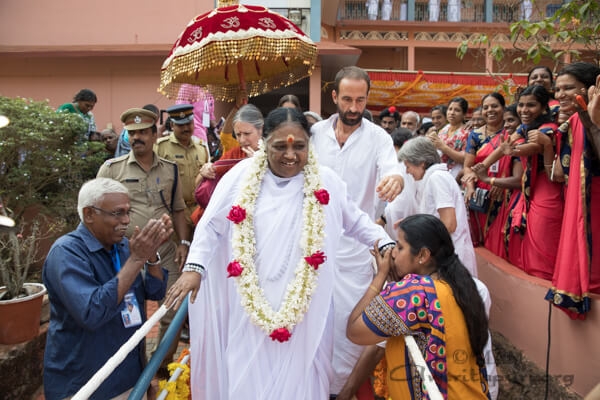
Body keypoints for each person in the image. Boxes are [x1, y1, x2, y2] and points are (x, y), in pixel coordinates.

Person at [164, 107, 394, 399]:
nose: (290, 155)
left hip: (306, 306)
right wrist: (194, 268)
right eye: (279, 146)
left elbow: (356, 221)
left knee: (304, 376)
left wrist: (384, 242)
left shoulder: (326, 181)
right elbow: (211, 227)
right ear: (264, 144)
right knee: (248, 373)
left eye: (299, 146)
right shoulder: (241, 178)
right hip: (250, 304)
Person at [310, 65, 404, 399]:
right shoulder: (315, 134)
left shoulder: (379, 138)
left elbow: (392, 168)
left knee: (350, 326)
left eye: (360, 100)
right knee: (313, 321)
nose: (353, 107)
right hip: (312, 248)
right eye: (347, 99)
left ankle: (342, 391)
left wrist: (396, 179)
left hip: (356, 250)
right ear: (334, 96)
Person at [42, 178, 171, 400]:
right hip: (86, 384)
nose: (126, 220)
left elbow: (156, 291)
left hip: (130, 376)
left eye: (128, 212)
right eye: (117, 213)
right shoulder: (66, 253)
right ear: (89, 214)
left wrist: (151, 257)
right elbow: (92, 313)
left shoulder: (122, 246)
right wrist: (137, 259)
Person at [346, 214, 490, 400]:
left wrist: (380, 276)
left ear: (422, 255)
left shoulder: (415, 292)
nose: (393, 253)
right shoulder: (458, 285)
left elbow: (354, 331)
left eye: (399, 246)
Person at [96, 107, 191, 372]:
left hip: (165, 252)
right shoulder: (111, 170)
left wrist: (184, 243)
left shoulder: (171, 170)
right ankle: (128, 368)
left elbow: (179, 209)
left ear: (154, 134)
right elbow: (95, 209)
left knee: (172, 312)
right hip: (126, 254)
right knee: (126, 315)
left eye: (142, 132)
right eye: (131, 133)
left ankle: (159, 366)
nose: (136, 137)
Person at [542, 62, 600, 318]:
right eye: (558, 89)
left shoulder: (589, 116)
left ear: (589, 89)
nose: (560, 94)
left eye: (569, 88)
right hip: (577, 200)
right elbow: (558, 174)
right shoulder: (571, 122)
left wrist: (591, 120)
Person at [398, 136, 477, 276]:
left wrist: (419, 234)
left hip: (452, 256)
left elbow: (449, 224)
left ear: (422, 163)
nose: (407, 172)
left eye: (408, 166)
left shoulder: (437, 178)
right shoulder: (434, 178)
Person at [193, 104, 264, 222]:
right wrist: (205, 170)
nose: (241, 140)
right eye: (238, 135)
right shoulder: (235, 154)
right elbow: (198, 183)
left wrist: (257, 164)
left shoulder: (272, 153)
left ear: (260, 129)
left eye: (247, 134)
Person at [462, 93, 508, 247]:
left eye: (494, 106)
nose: (490, 110)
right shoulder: (475, 135)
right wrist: (469, 187)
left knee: (500, 234)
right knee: (483, 237)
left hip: (504, 188)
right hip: (481, 192)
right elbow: (468, 166)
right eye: (486, 107)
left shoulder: (511, 132)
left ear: (503, 108)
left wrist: (500, 182)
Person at [156, 103, 209, 230]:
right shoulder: (160, 147)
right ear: (172, 125)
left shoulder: (201, 148)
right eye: (180, 125)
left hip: (198, 211)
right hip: (173, 213)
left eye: (189, 123)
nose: (186, 128)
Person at [427, 97, 469, 179]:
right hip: (439, 173)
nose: (452, 113)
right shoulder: (444, 130)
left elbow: (465, 159)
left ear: (464, 114)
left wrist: (443, 147)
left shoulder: (467, 132)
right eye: (450, 109)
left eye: (457, 110)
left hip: (456, 175)